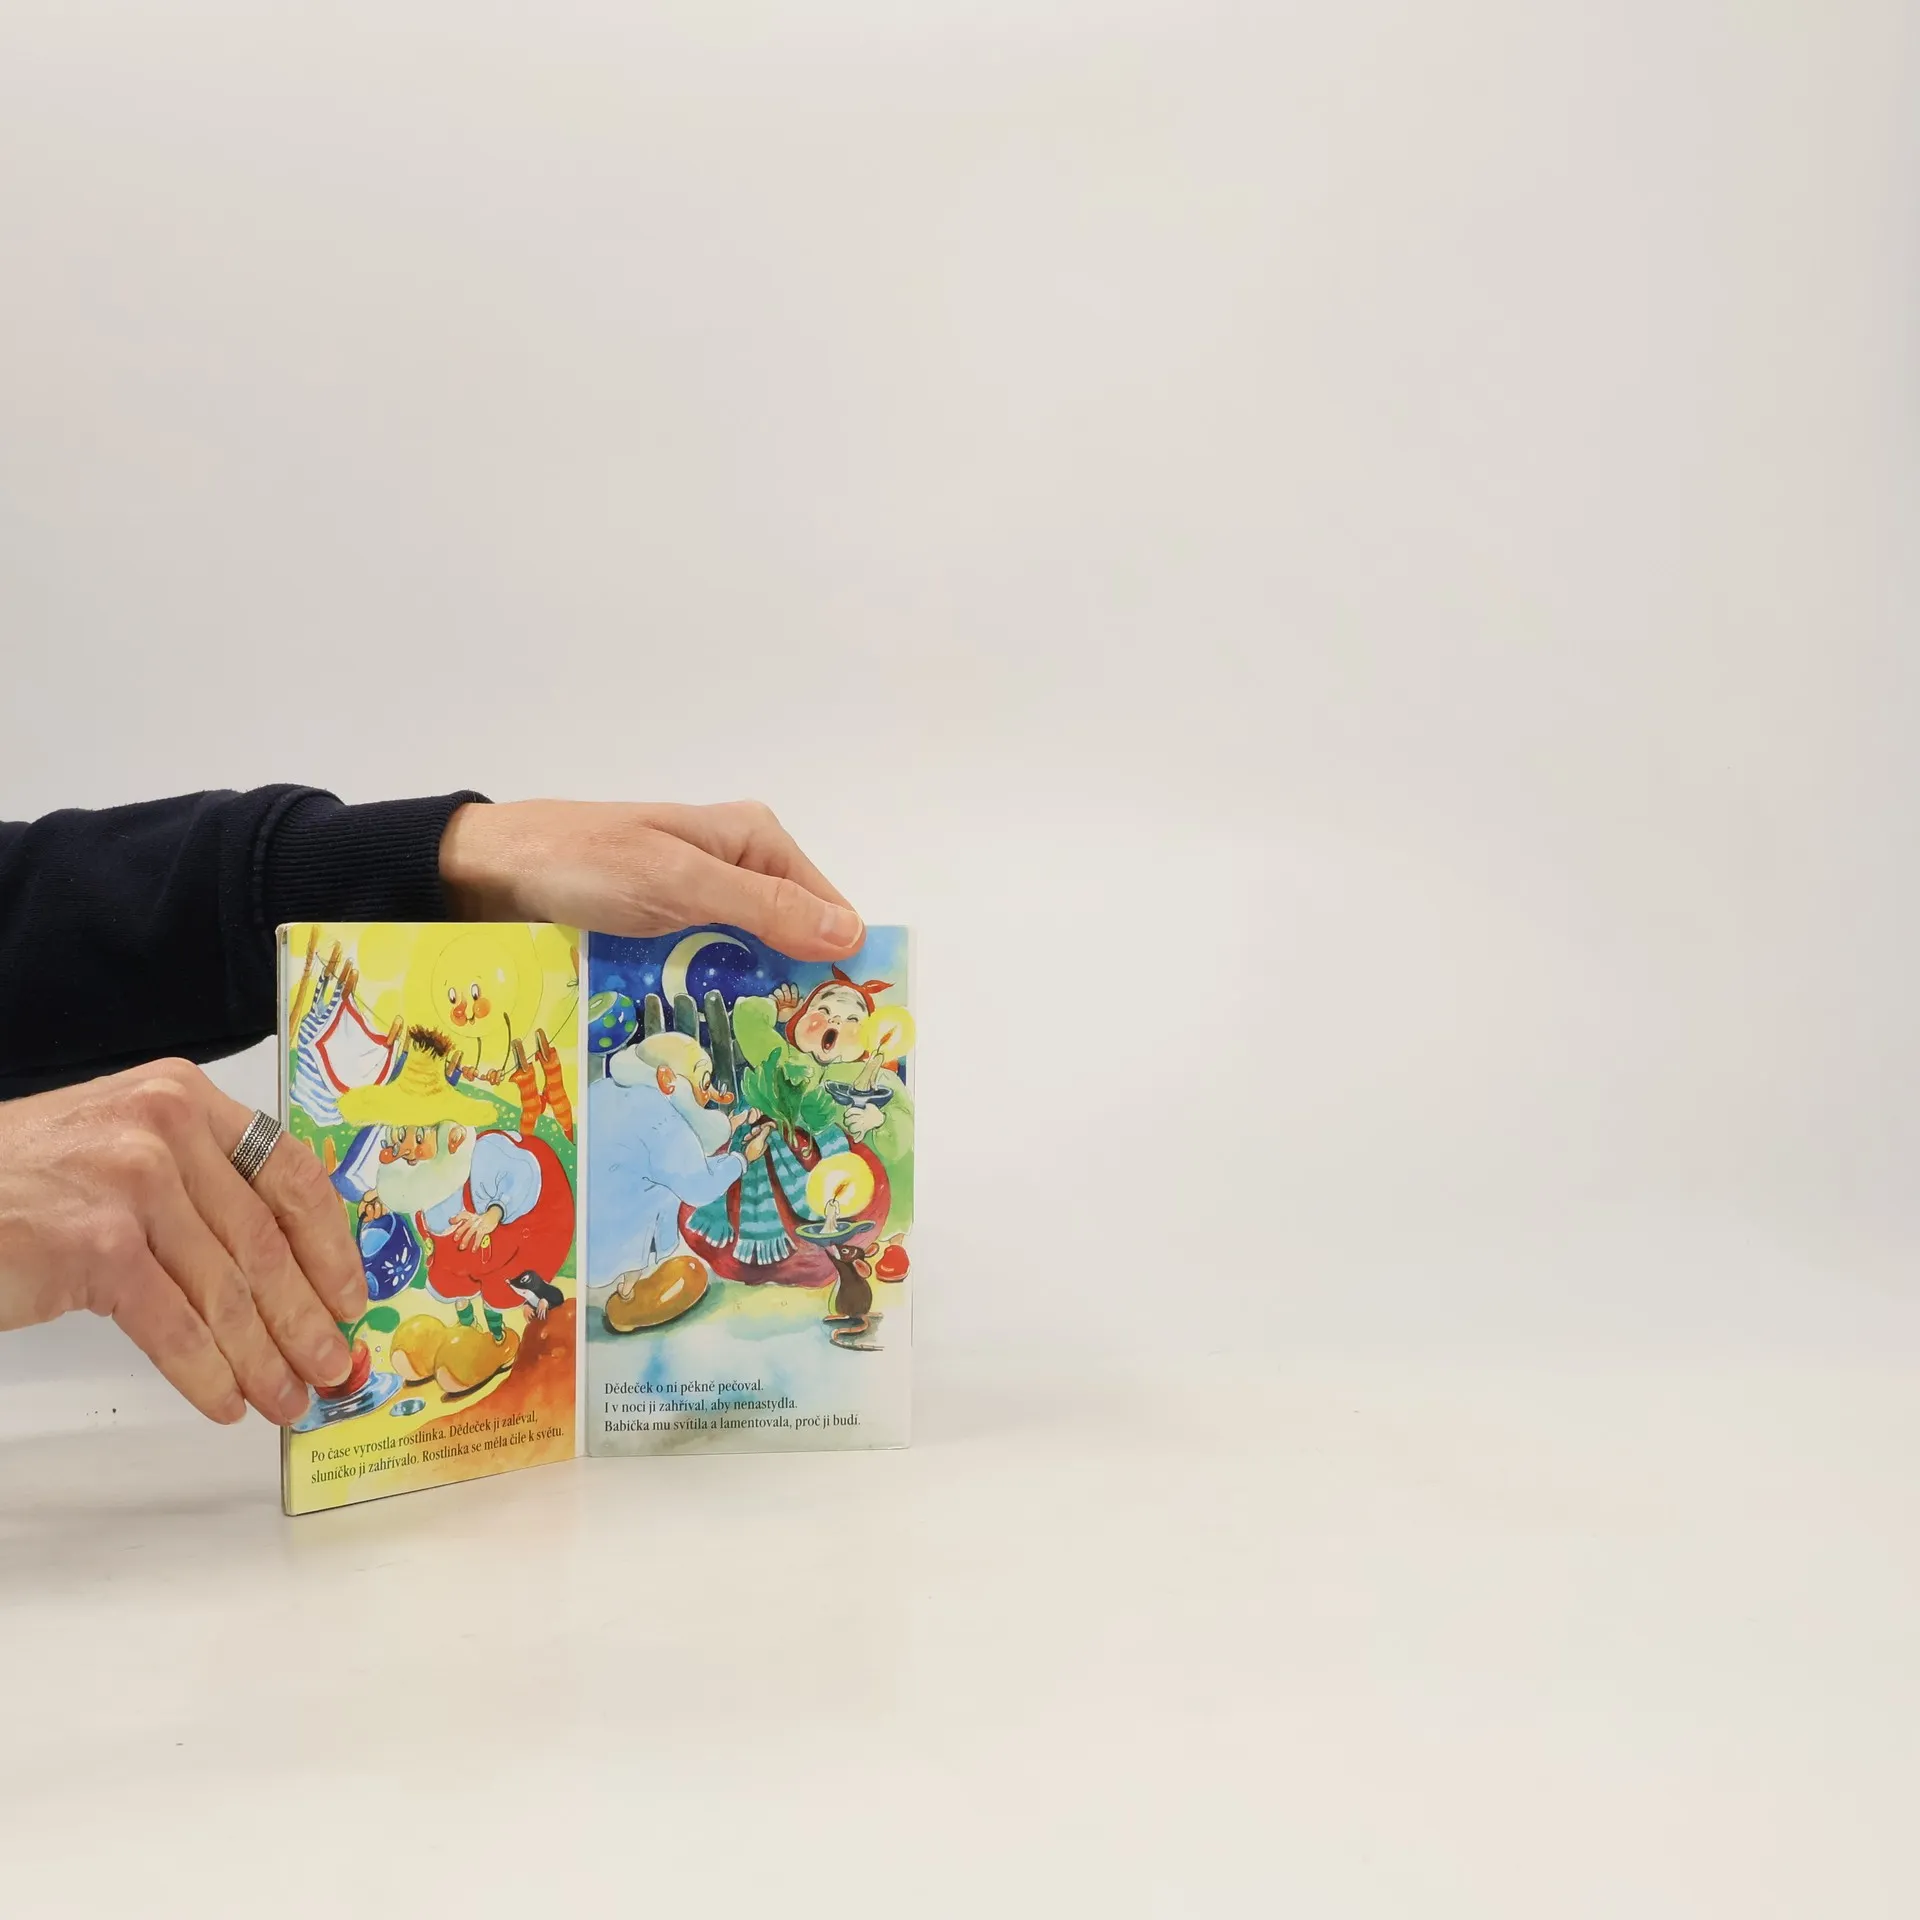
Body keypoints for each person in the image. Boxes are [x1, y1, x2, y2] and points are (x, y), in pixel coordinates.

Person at [0, 787, 864, 1428]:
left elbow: (39, 912)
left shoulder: (564, 1120)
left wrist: (439, 863)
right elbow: (688, 1176)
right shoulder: (624, 1121)